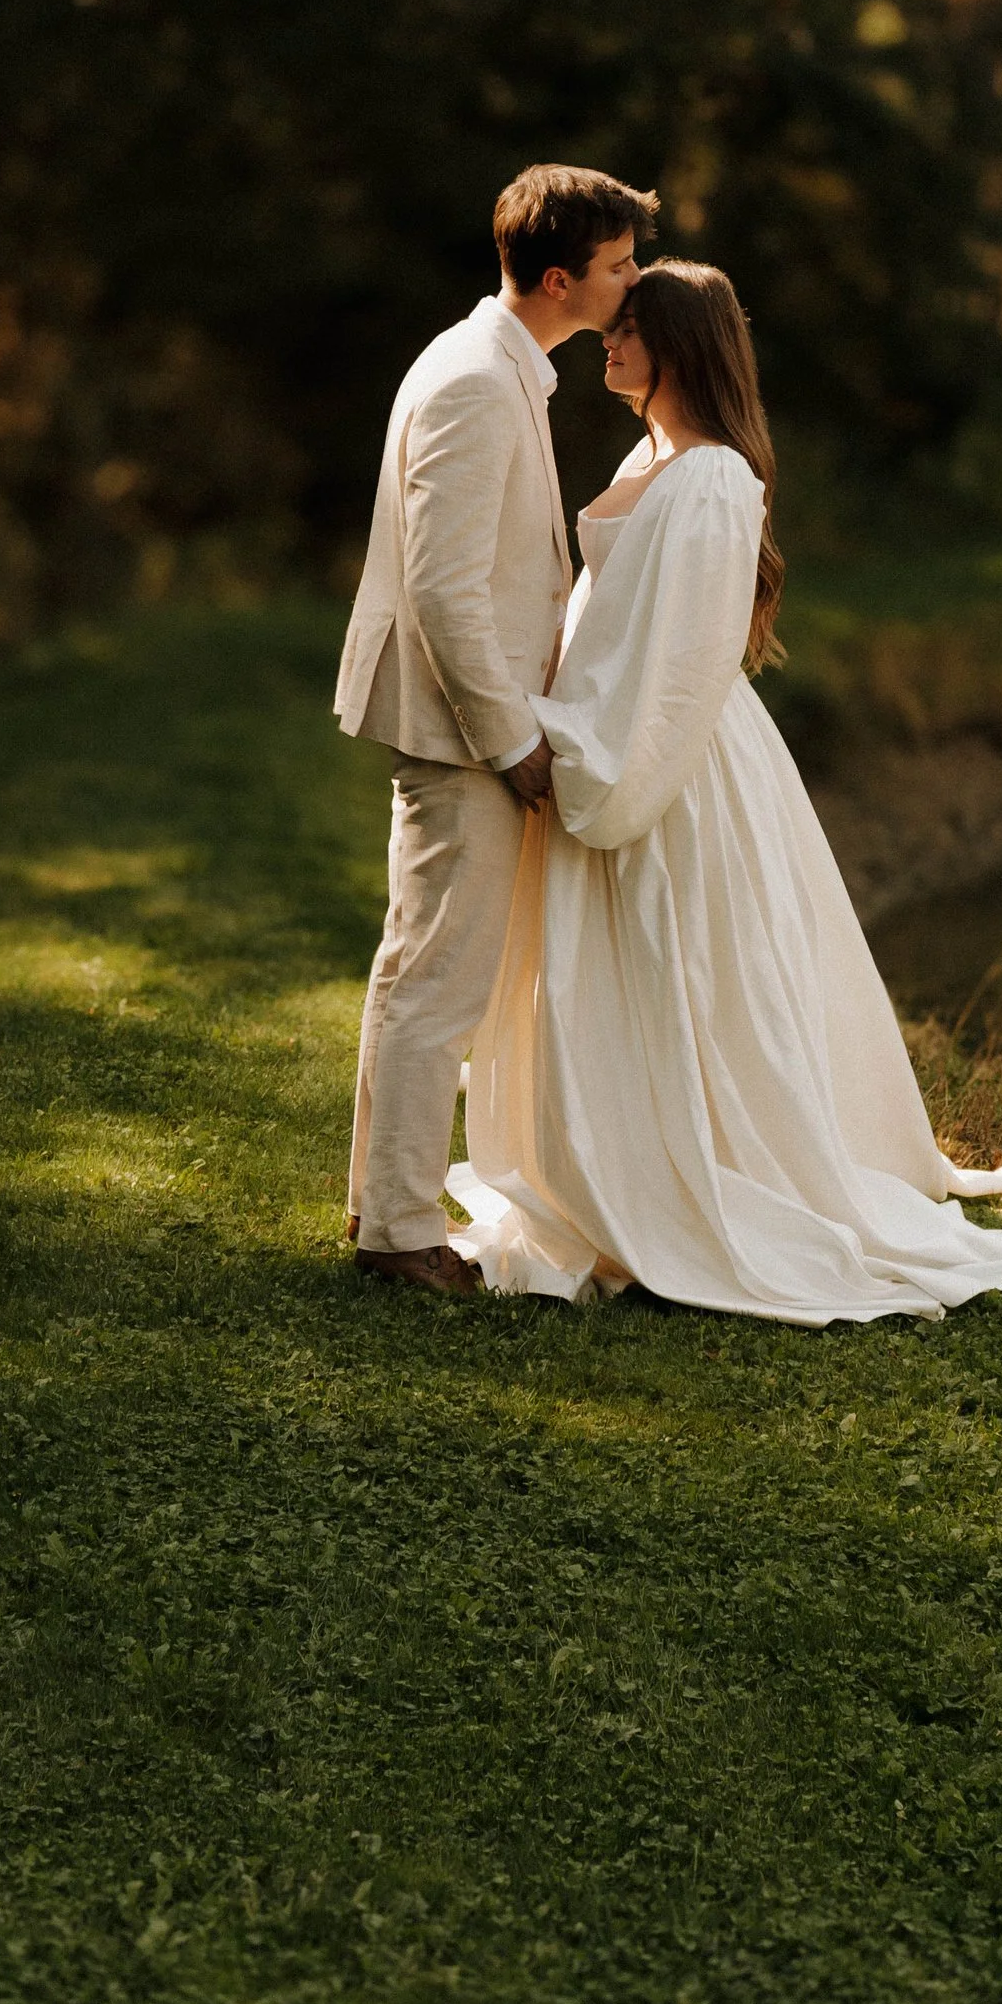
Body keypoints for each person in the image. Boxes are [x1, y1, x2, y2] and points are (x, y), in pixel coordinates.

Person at [443, 260, 1002, 1326]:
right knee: (615, 972)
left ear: (676, 343)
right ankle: (604, 1167)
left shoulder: (714, 479)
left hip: (668, 765)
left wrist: (583, 752)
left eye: (628, 328)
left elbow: (679, 659)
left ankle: (697, 1176)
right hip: (606, 739)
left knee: (688, 971)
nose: (607, 342)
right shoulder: (654, 455)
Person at [336, 162, 658, 1294]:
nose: (635, 285)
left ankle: (386, 1212)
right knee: (437, 981)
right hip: (460, 727)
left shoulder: (502, 364)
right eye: (620, 268)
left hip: (467, 721)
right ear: (563, 278)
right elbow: (443, 589)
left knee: (419, 971)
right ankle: (400, 1237)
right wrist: (510, 736)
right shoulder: (477, 378)